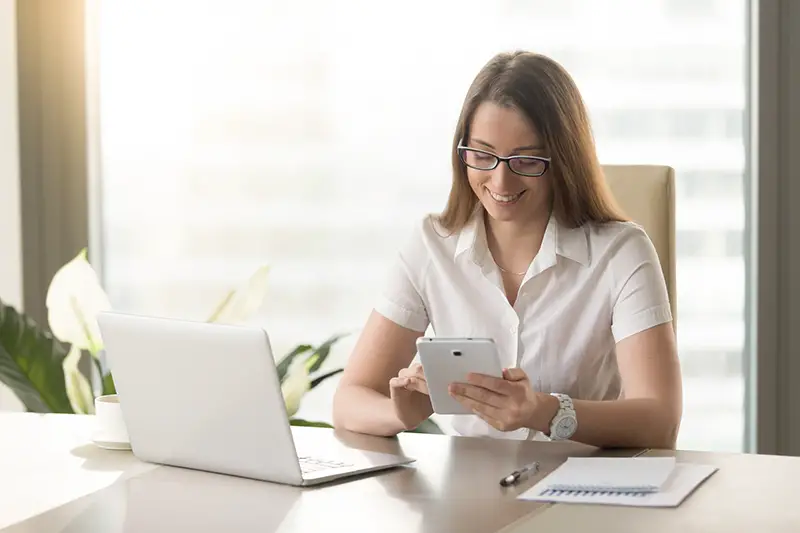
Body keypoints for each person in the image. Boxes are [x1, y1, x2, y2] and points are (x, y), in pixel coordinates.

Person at [332, 51, 682, 449]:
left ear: (564, 160)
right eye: (482, 155)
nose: (500, 180)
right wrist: (400, 414)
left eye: (526, 160)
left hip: (586, 492)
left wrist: (543, 411)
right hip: (468, 494)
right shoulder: (432, 245)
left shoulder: (621, 252)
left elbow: (660, 421)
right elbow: (349, 400)